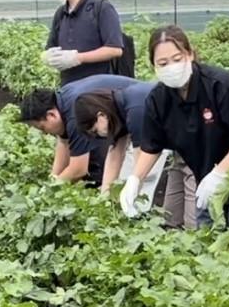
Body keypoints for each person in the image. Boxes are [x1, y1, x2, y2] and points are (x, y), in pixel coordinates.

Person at [122, 26, 229, 243]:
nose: (171, 67)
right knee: (208, 247)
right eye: (163, 63)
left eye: (177, 58)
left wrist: (220, 174)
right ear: (153, 66)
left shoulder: (220, 85)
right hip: (205, 183)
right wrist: (134, 180)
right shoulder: (158, 99)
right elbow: (151, 146)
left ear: (190, 54)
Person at [73, 86, 195, 225]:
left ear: (101, 115)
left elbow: (143, 159)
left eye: (95, 131)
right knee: (171, 217)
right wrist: (105, 199)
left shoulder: (136, 110)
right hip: (179, 149)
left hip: (195, 142)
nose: (98, 136)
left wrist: (133, 192)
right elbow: (115, 154)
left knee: (194, 218)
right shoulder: (119, 110)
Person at [18, 73, 139, 185]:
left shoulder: (75, 113)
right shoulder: (63, 100)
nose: (44, 133)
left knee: (134, 181)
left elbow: (79, 169)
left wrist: (52, 189)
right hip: (125, 122)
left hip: (141, 117)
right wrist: (53, 177)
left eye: (42, 127)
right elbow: (64, 142)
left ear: (51, 115)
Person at [42, 0, 125, 85]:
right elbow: (51, 47)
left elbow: (115, 49)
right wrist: (47, 56)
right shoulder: (61, 14)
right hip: (68, 90)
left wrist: (78, 58)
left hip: (98, 92)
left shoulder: (101, 8)